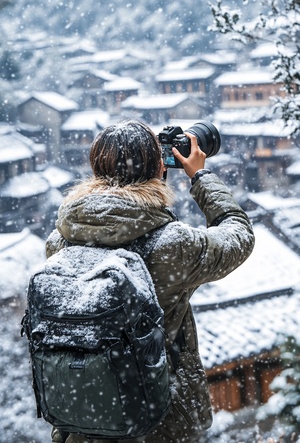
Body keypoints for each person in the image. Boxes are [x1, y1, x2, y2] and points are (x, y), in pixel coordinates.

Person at [47, 119, 255, 443]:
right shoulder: (171, 245)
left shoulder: (60, 243)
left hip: (84, 419)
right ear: (160, 165)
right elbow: (238, 233)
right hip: (160, 423)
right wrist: (200, 176)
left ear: (96, 167)